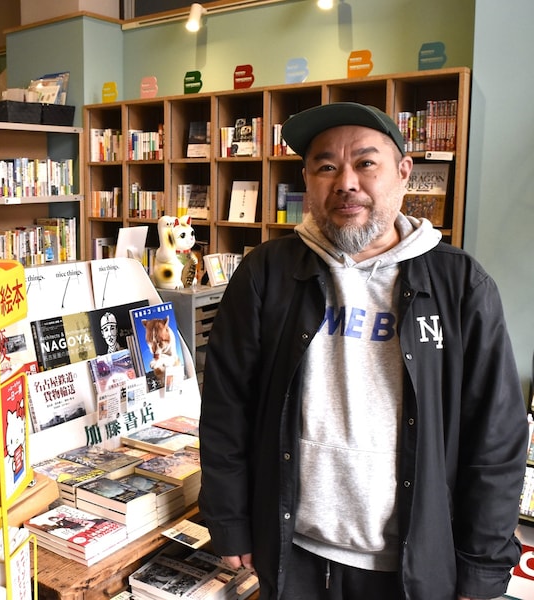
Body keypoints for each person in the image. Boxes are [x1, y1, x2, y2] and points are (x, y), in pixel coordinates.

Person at [197, 102, 528, 600]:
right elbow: (227, 407)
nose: (345, 182)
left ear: (403, 172)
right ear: (307, 181)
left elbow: (496, 438)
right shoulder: (266, 273)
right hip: (292, 551)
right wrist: (228, 520)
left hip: (411, 566)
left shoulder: (460, 284)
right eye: (326, 167)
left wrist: (481, 568)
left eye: (365, 163)